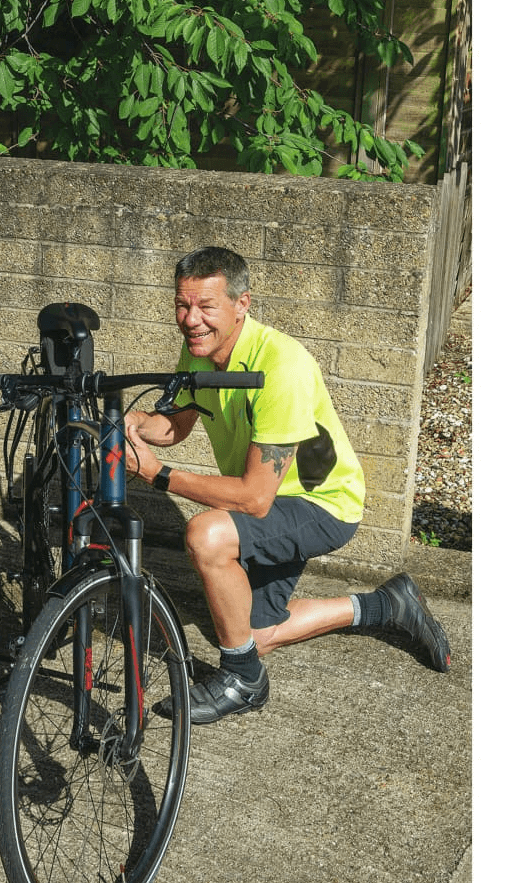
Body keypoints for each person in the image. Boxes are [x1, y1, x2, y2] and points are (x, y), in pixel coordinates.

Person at [124, 247, 451, 725]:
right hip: (274, 502)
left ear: (242, 304)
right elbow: (174, 426)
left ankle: (243, 680)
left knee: (207, 536)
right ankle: (387, 605)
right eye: (182, 304)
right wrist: (127, 423)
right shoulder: (201, 351)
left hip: (322, 505)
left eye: (206, 306)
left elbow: (255, 499)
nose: (191, 319)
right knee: (255, 633)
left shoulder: (280, 365)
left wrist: (159, 475)